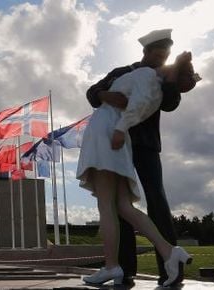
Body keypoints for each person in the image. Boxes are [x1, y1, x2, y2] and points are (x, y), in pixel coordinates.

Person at [77, 29, 200, 287]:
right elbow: (93, 92)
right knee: (120, 207)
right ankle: (125, 268)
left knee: (156, 202)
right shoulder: (122, 71)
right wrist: (104, 95)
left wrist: (171, 76)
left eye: (165, 55)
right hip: (117, 143)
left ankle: (168, 271)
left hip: (143, 145)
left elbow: (169, 103)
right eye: (158, 54)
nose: (161, 58)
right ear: (145, 52)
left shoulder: (166, 75)